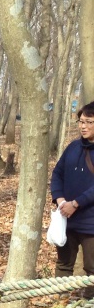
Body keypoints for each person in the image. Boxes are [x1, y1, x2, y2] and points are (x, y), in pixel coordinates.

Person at [50, 102, 94, 279]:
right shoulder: (73, 147)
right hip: (67, 218)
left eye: (89, 122)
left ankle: (88, 306)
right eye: (81, 121)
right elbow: (57, 173)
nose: (83, 126)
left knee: (92, 269)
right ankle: (61, 304)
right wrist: (60, 200)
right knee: (63, 265)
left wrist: (76, 203)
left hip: (91, 223)